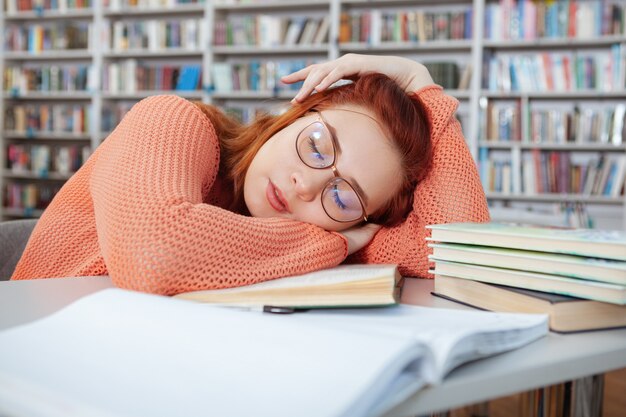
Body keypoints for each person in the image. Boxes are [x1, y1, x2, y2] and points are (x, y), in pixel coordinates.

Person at [11, 54, 489, 294]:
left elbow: (454, 253)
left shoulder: (313, 227)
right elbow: (156, 253)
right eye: (318, 146)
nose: (308, 184)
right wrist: (336, 243)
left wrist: (423, 86)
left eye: (344, 198)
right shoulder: (172, 121)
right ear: (295, 111)